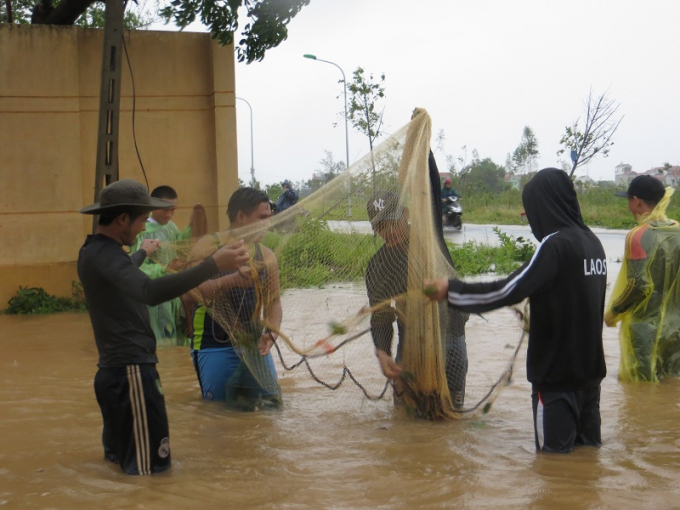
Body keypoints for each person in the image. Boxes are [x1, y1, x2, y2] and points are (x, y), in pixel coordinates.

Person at [426, 168, 607, 454]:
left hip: (557, 381)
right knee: (586, 463)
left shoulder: (555, 245)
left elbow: (508, 289)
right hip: (590, 379)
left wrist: (451, 291)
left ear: (543, 206)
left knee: (553, 469)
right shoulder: (592, 243)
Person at [78, 179, 249, 475]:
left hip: (117, 373)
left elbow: (122, 273)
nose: (144, 227)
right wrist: (212, 265)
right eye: (142, 220)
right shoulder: (106, 255)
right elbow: (150, 292)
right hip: (132, 374)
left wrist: (142, 252)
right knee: (152, 475)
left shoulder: (96, 251)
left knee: (124, 470)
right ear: (122, 219)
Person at [365, 190, 469, 409]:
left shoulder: (431, 243)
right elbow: (381, 314)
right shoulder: (378, 265)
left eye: (394, 222)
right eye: (381, 226)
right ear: (374, 228)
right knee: (407, 416)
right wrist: (383, 351)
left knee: (450, 414)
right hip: (411, 342)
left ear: (407, 213)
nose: (389, 231)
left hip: (449, 337)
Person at [189, 187, 283, 408]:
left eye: (269, 218)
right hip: (214, 344)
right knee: (218, 415)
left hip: (254, 346)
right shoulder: (207, 247)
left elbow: (274, 302)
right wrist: (231, 280)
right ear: (241, 217)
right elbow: (192, 292)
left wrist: (272, 331)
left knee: (269, 412)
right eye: (262, 218)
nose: (267, 224)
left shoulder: (265, 255)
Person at [605, 175, 680, 382]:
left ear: (637, 201)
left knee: (639, 390)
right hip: (675, 329)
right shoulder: (678, 229)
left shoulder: (637, 235)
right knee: (670, 387)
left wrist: (613, 312)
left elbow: (639, 284)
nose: (628, 205)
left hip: (643, 331)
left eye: (629, 200)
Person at [129, 185, 189, 346]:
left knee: (176, 338)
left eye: (173, 210)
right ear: (152, 205)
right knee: (158, 340)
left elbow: (180, 251)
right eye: (165, 210)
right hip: (154, 293)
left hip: (173, 292)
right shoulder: (142, 230)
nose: (169, 214)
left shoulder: (171, 227)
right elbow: (137, 266)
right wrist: (165, 268)